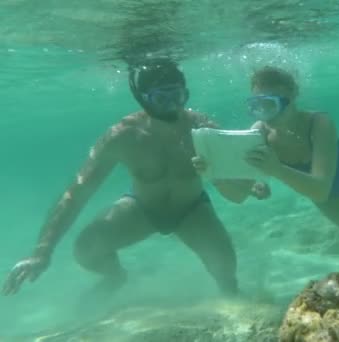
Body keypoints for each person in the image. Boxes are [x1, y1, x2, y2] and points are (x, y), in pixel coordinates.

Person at [2, 58, 268, 297]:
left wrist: (253, 182)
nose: (173, 106)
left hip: (193, 210)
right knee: (86, 249)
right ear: (142, 98)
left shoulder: (201, 127)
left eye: (178, 95)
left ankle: (231, 301)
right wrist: (42, 252)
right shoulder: (123, 137)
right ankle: (115, 277)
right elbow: (76, 194)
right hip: (141, 209)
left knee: (226, 270)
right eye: (160, 99)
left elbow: (232, 166)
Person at [195, 66, 339, 252]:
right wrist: (214, 174)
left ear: (293, 95)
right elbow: (238, 196)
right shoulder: (259, 133)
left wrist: (275, 169)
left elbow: (319, 189)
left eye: (272, 104)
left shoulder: (318, 122)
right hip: (331, 196)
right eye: (258, 106)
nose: (266, 114)